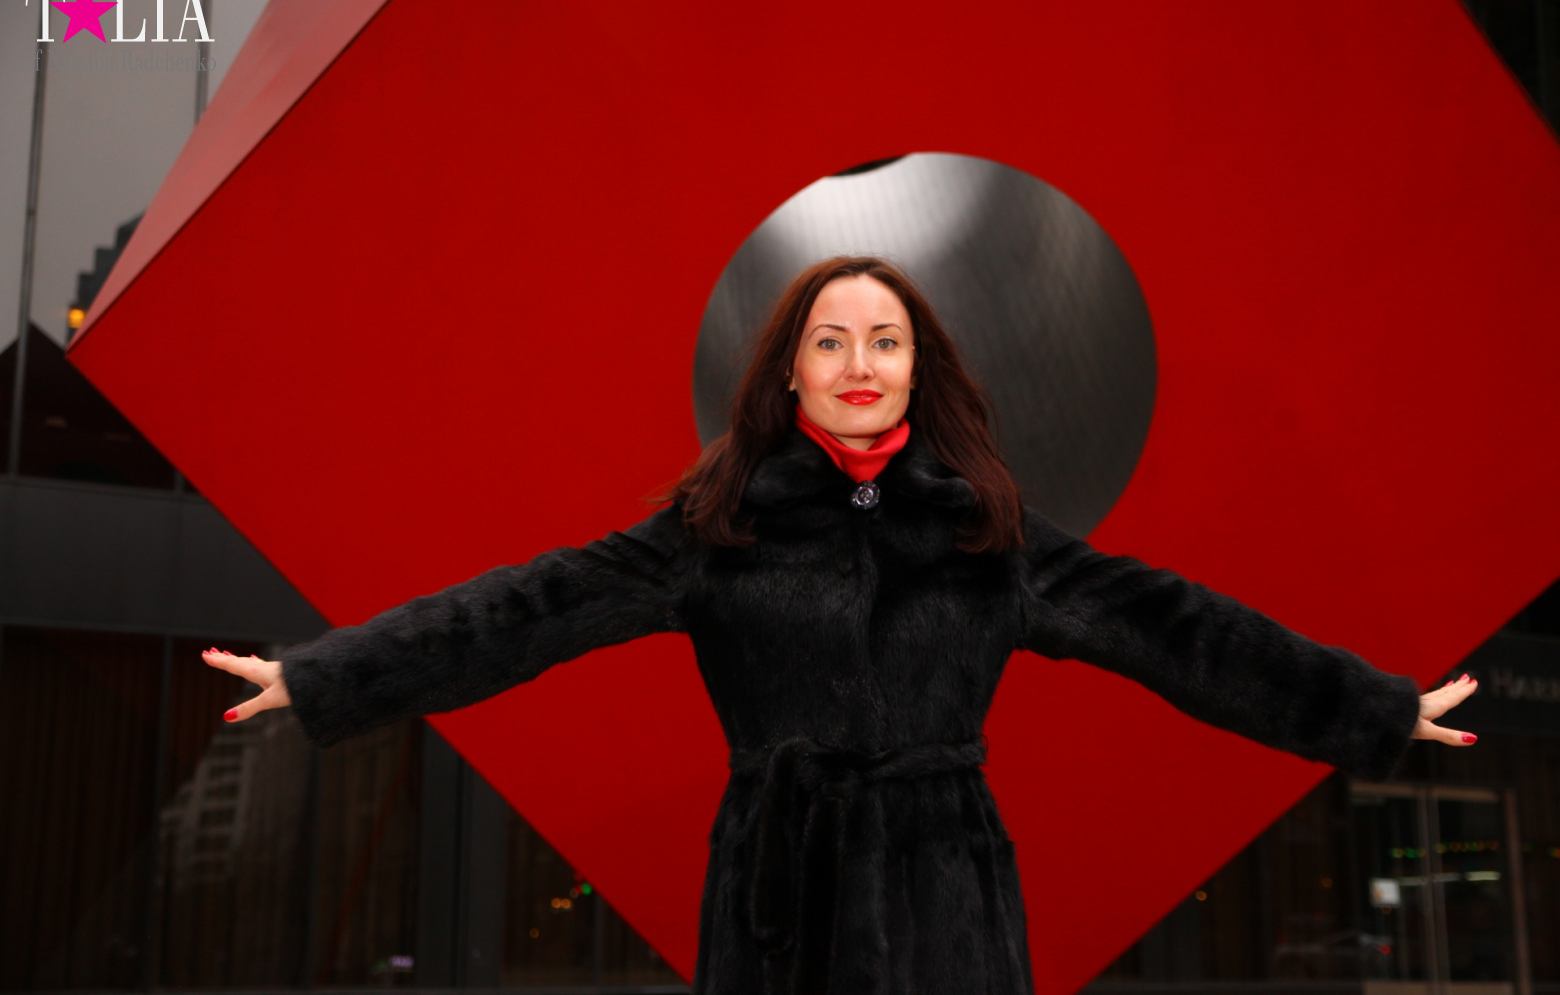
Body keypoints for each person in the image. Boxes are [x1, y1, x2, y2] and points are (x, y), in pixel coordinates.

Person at [201, 255, 1478, 995]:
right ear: (791, 369)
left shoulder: (987, 534)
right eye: (832, 339)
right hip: (777, 897)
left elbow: (1182, 629)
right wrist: (325, 677)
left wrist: (1373, 704)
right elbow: (522, 608)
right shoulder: (718, 527)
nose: (860, 361)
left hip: (949, 899)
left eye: (887, 339)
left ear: (920, 368)